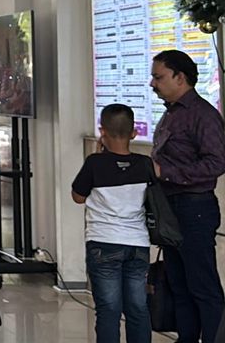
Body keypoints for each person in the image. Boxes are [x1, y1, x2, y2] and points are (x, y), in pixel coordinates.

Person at [150, 49, 225, 343]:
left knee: (202, 286)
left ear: (180, 78)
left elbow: (217, 163)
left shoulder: (203, 115)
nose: (152, 84)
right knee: (178, 284)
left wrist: (164, 171)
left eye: (159, 77)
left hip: (194, 208)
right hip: (171, 209)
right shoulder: (172, 113)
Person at [71, 104, 151, 343]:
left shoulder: (95, 163)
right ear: (134, 133)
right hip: (138, 244)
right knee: (138, 308)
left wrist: (101, 155)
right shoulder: (145, 164)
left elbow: (78, 196)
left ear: (102, 131)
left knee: (109, 310)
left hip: (103, 243)